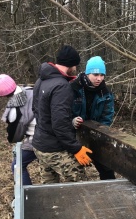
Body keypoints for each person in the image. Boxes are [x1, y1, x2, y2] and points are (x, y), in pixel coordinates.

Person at [32, 45, 93, 184]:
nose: (76, 70)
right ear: (71, 65)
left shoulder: (41, 80)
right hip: (54, 148)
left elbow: (35, 110)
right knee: (81, 184)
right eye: (76, 66)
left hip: (39, 145)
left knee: (49, 187)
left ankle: (51, 205)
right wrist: (75, 148)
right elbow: (60, 123)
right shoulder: (61, 86)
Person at [70, 56, 116, 180]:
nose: (99, 78)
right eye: (95, 74)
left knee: (107, 169)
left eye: (102, 75)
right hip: (73, 136)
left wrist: (99, 132)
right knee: (74, 172)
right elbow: (62, 113)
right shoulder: (73, 88)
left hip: (96, 135)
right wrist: (72, 121)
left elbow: (107, 117)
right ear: (87, 73)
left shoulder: (105, 93)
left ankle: (109, 194)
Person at [0, 74, 37, 185]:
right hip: (51, 134)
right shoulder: (32, 90)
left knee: (18, 165)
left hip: (37, 139)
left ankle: (26, 196)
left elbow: (15, 135)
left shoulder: (15, 107)